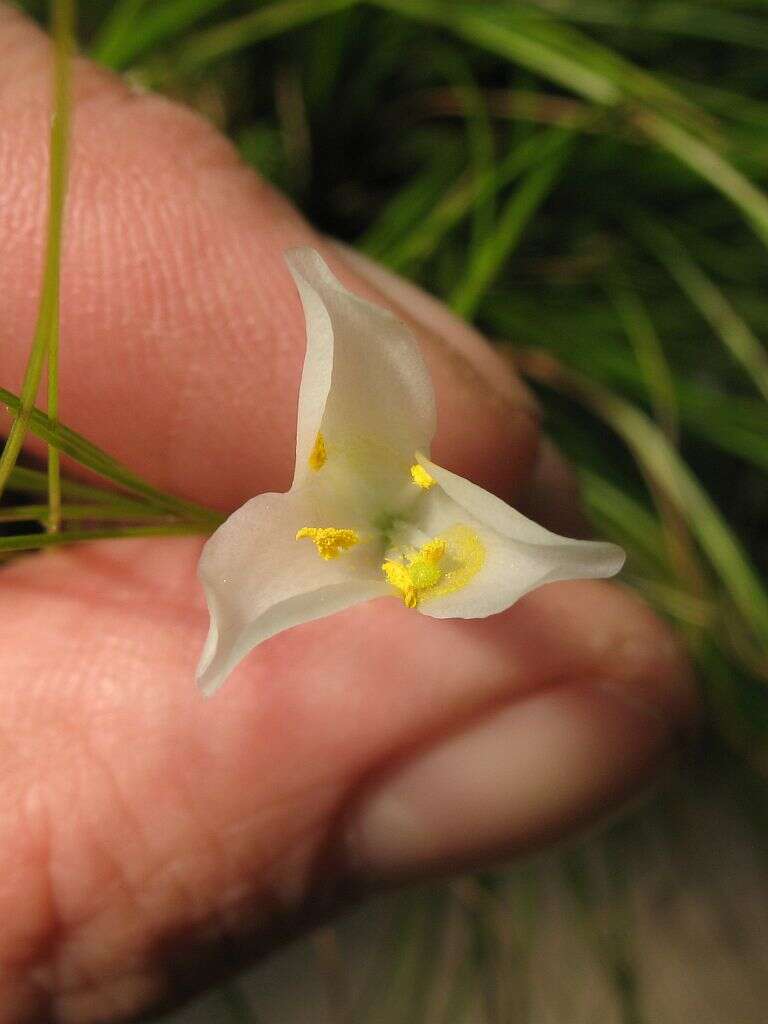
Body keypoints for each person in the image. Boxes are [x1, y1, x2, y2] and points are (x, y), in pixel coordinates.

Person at [0, 6, 696, 1022]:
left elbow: (537, 549)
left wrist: (537, 556)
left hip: (401, 518)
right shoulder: (329, 513)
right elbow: (242, 611)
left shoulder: (388, 466)